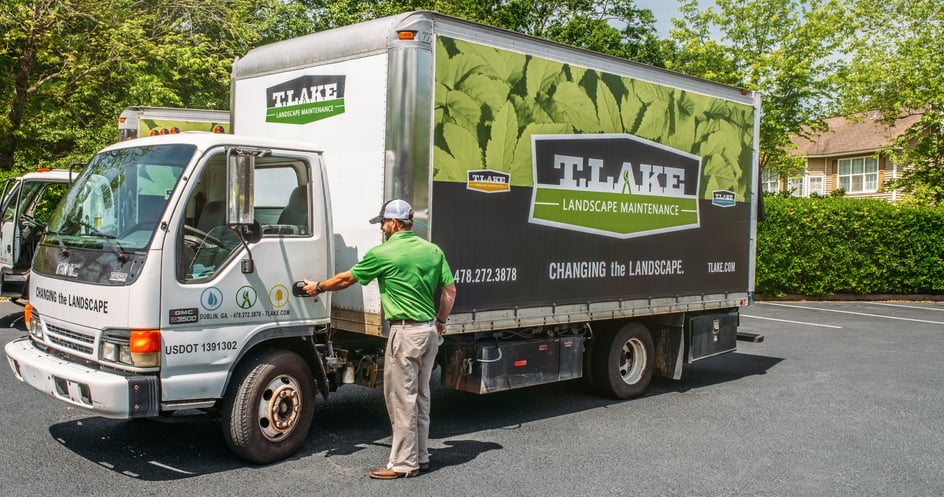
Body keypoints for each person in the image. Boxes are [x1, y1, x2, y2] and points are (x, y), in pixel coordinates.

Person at [303, 199, 456, 479]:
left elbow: (346, 280)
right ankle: (420, 457)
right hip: (429, 332)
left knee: (402, 400)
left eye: (384, 222)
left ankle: (403, 464)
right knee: (421, 397)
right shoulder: (433, 250)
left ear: (395, 223)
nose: (382, 227)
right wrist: (441, 322)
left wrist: (318, 287)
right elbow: (450, 291)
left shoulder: (384, 253)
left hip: (405, 333)